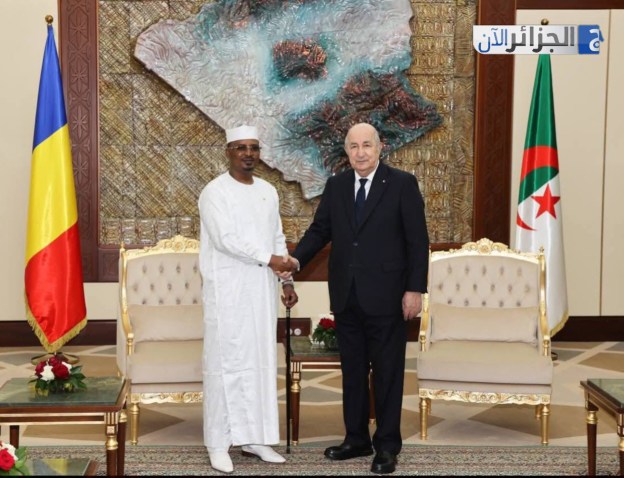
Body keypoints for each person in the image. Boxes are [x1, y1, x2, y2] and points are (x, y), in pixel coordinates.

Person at [289, 122, 429, 474]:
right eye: (354, 146)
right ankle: (356, 439)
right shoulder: (336, 186)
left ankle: (387, 445)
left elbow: (417, 241)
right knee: (352, 372)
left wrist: (415, 289)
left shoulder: (401, 184)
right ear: (346, 151)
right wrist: (295, 261)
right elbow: (320, 230)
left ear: (380, 147)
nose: (361, 152)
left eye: (367, 145)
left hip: (388, 296)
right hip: (347, 295)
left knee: (387, 374)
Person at [198, 124, 299, 474]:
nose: (248, 153)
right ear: (228, 151)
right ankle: (218, 442)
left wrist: (286, 280)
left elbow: (276, 236)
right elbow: (225, 239)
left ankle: (254, 438)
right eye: (241, 147)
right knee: (225, 365)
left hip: (261, 291)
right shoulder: (214, 192)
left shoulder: (268, 191)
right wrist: (270, 259)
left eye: (253, 147)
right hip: (227, 291)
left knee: (259, 363)